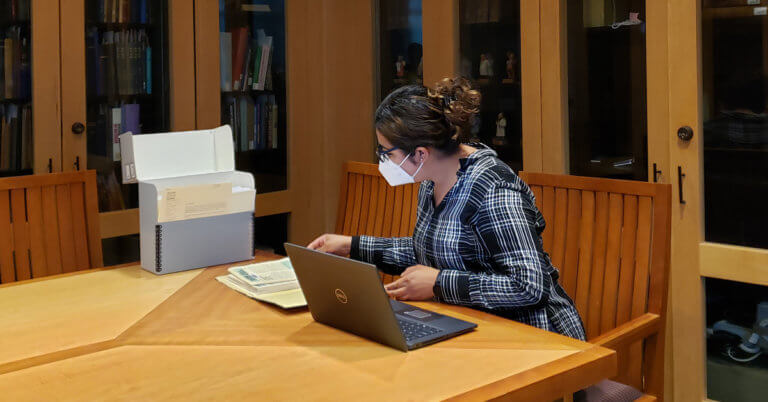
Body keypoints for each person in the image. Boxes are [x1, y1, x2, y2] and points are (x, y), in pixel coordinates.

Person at [308, 77, 585, 340]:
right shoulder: (432, 179)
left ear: (420, 154)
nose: (382, 160)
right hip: (473, 324)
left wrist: (439, 282)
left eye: (386, 152)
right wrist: (351, 246)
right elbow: (430, 250)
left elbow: (529, 287)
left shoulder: (494, 190)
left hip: (535, 339)